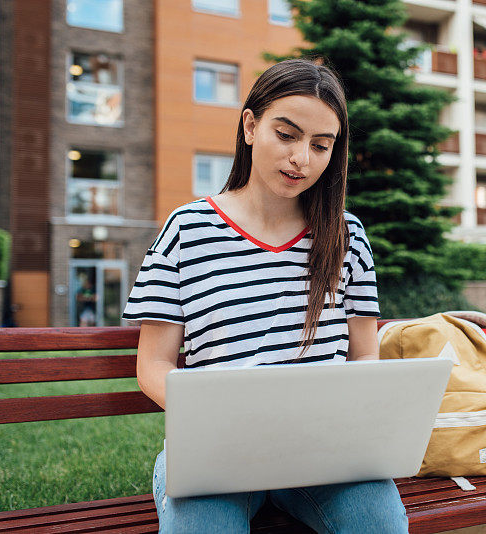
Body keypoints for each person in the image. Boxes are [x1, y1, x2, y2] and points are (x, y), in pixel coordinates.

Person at [121, 58, 409, 533]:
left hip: (324, 449)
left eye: (321, 146)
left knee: (378, 523)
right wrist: (217, 413)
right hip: (218, 448)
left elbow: (364, 357)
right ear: (251, 126)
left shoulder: (347, 236)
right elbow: (152, 364)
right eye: (287, 134)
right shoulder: (187, 230)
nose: (302, 159)